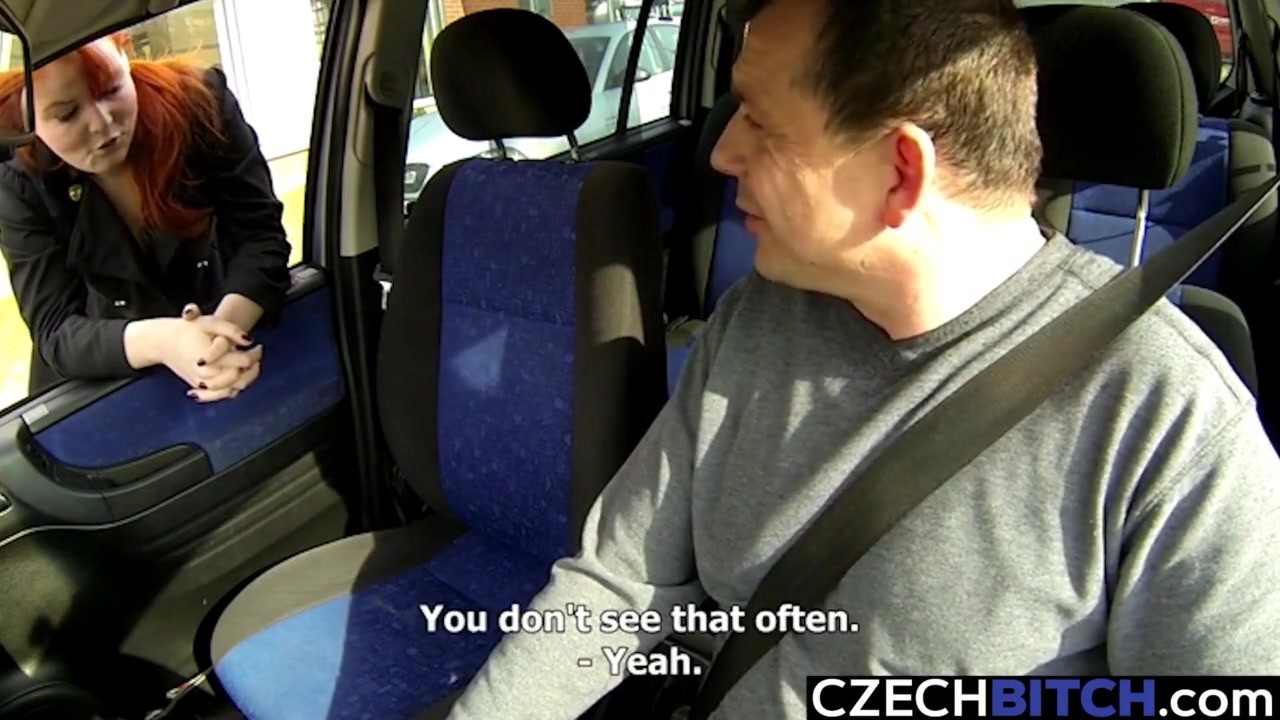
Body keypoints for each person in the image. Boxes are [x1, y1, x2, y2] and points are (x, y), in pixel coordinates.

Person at [444, 0, 1280, 717]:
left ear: (901, 171)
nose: (721, 152)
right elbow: (620, 583)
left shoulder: (1166, 419)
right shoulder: (759, 320)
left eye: (760, 120)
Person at [0, 32, 290, 402]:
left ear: (127, 56)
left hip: (233, 353)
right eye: (67, 114)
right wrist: (164, 341)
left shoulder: (200, 103)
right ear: (27, 119)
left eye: (111, 89)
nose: (102, 122)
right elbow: (56, 329)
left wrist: (221, 339)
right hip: (105, 395)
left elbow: (261, 236)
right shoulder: (18, 181)